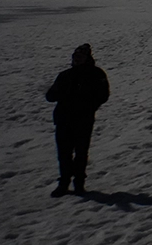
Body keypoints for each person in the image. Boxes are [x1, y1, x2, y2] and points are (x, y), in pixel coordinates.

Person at [45, 43, 110, 197]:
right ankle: (64, 183)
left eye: (80, 57)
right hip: (63, 119)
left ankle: (79, 184)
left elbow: (103, 95)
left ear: (87, 58)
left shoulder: (96, 74)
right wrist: (59, 93)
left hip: (83, 119)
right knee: (64, 154)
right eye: (75, 57)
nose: (77, 60)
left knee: (81, 153)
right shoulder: (65, 75)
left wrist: (88, 105)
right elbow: (50, 96)